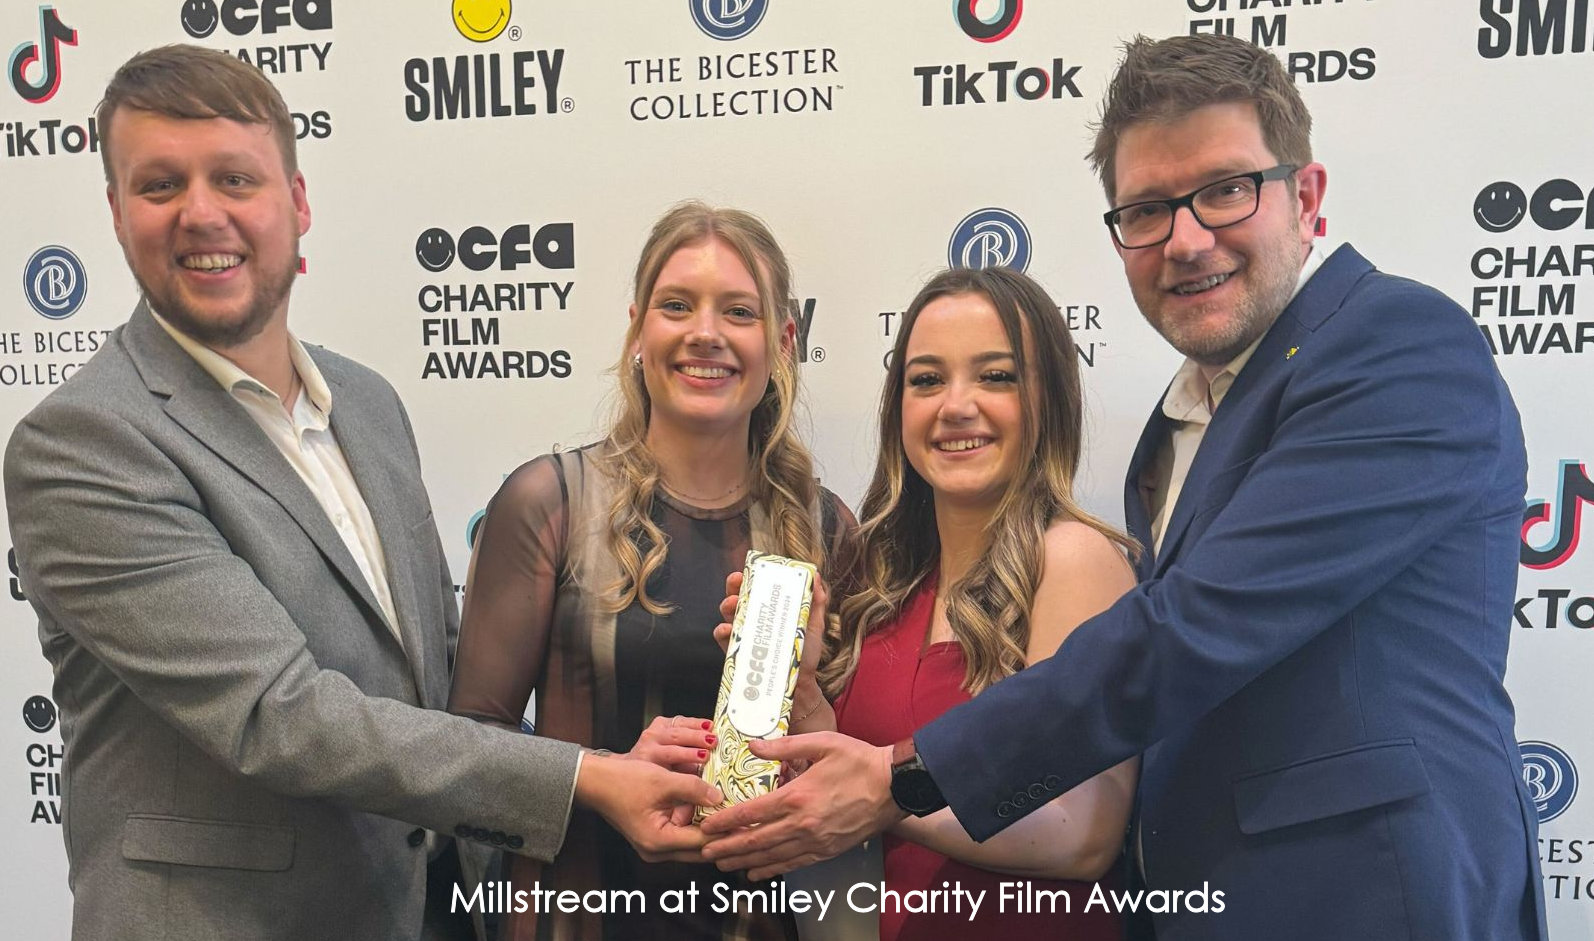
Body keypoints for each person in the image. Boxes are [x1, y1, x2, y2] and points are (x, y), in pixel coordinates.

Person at [699, 33, 1547, 941]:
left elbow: (1195, 629)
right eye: (1146, 210)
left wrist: (900, 779)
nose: (1186, 239)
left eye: (1225, 189)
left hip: (1371, 901)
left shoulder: (1396, 343)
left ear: (1305, 198)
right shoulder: (1177, 426)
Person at [3, 45, 714, 941]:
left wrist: (598, 761)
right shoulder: (83, 445)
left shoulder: (366, 402)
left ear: (298, 202)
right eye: (160, 185)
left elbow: (438, 672)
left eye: (235, 178)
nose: (202, 213)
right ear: (115, 212)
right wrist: (587, 778)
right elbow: (281, 716)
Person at [446, 201, 854, 941]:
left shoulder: (824, 526)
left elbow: (850, 789)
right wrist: (605, 774)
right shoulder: (550, 502)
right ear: (638, 330)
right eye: (676, 306)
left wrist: (805, 698)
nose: (705, 332)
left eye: (739, 311)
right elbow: (466, 748)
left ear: (783, 342)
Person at [795, 266, 1137, 940]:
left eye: (996, 376)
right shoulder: (883, 576)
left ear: (1048, 400)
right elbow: (848, 779)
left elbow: (1084, 832)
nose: (955, 405)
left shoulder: (1072, 558)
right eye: (926, 380)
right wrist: (802, 687)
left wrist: (887, 797)